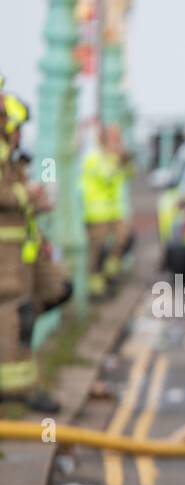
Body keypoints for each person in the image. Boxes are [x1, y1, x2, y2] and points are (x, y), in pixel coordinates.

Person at [0, 92, 63, 412]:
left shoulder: (12, 158)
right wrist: (29, 194)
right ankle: (15, 393)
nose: (19, 134)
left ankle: (20, 389)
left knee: (31, 310)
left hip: (21, 255)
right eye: (16, 126)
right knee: (15, 318)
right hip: (7, 260)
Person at [80, 123, 133, 299]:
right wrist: (117, 158)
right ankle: (96, 290)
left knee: (122, 241)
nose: (117, 141)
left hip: (114, 212)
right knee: (96, 253)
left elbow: (130, 172)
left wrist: (122, 157)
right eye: (114, 138)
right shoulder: (94, 157)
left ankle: (109, 278)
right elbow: (107, 174)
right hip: (96, 214)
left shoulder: (114, 156)